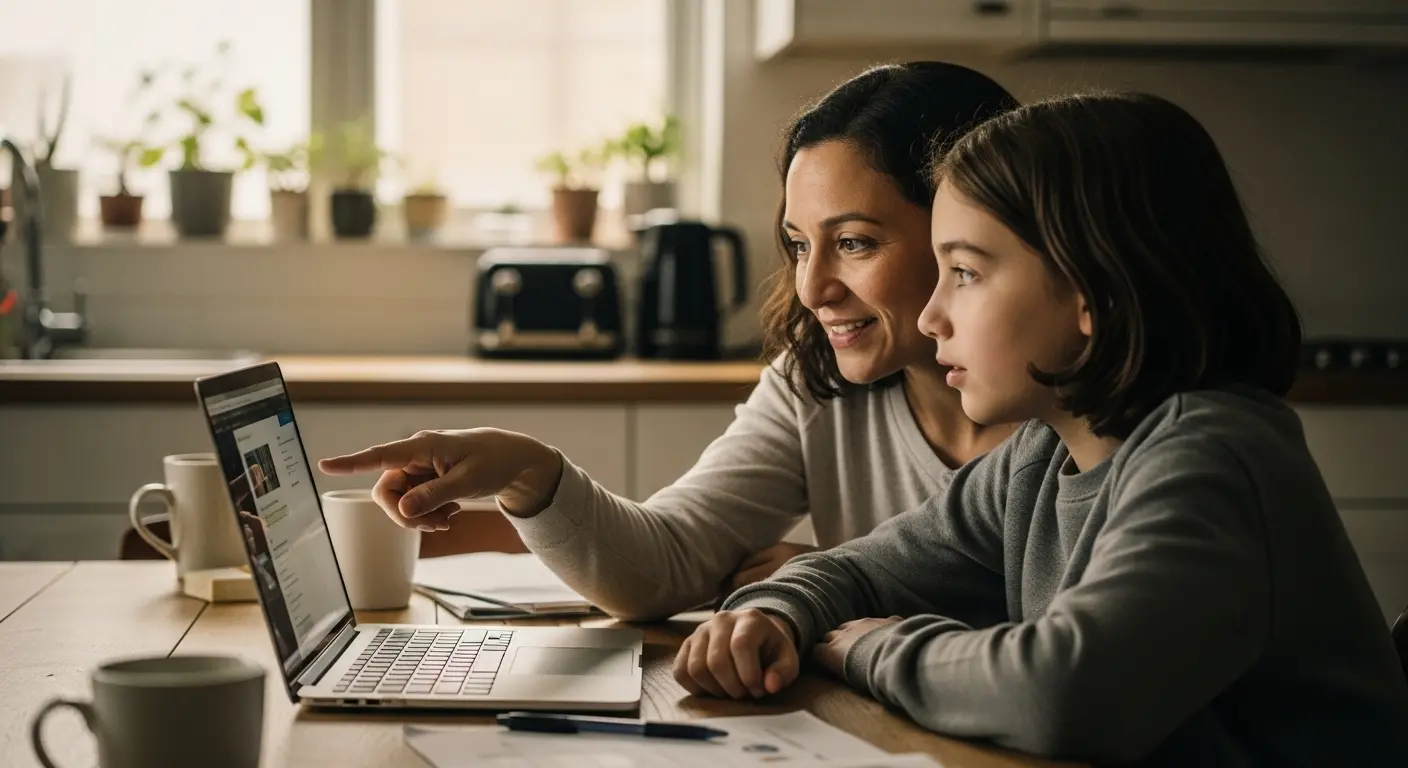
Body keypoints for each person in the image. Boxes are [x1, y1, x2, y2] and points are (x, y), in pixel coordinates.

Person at [672, 91, 1408, 765]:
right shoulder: (1042, 454)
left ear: (1094, 295)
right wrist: (777, 611)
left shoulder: (1212, 459)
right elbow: (864, 568)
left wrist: (876, 645)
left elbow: (1064, 693)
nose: (931, 317)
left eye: (964, 273)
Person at [318, 62, 1021, 621]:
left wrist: (829, 590)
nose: (813, 290)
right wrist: (527, 473)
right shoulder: (814, 380)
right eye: (800, 245)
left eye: (855, 242)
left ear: (969, 230)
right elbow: (666, 562)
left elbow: (1060, 659)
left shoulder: (1065, 411)